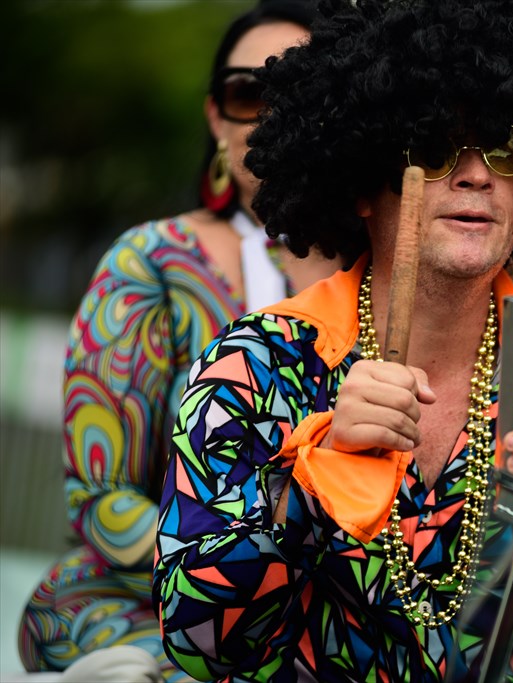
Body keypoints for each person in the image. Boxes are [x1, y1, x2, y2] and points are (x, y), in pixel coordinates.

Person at [153, 0, 513, 681]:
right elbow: (196, 639)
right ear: (363, 185)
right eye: (434, 148)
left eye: (504, 149)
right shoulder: (253, 369)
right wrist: (315, 478)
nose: (477, 173)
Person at [17, 3, 336, 679]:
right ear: (217, 117)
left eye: (301, 90)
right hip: (157, 601)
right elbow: (102, 501)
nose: (272, 116)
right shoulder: (150, 263)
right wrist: (242, 567)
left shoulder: (390, 273)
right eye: (249, 94)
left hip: (343, 604)